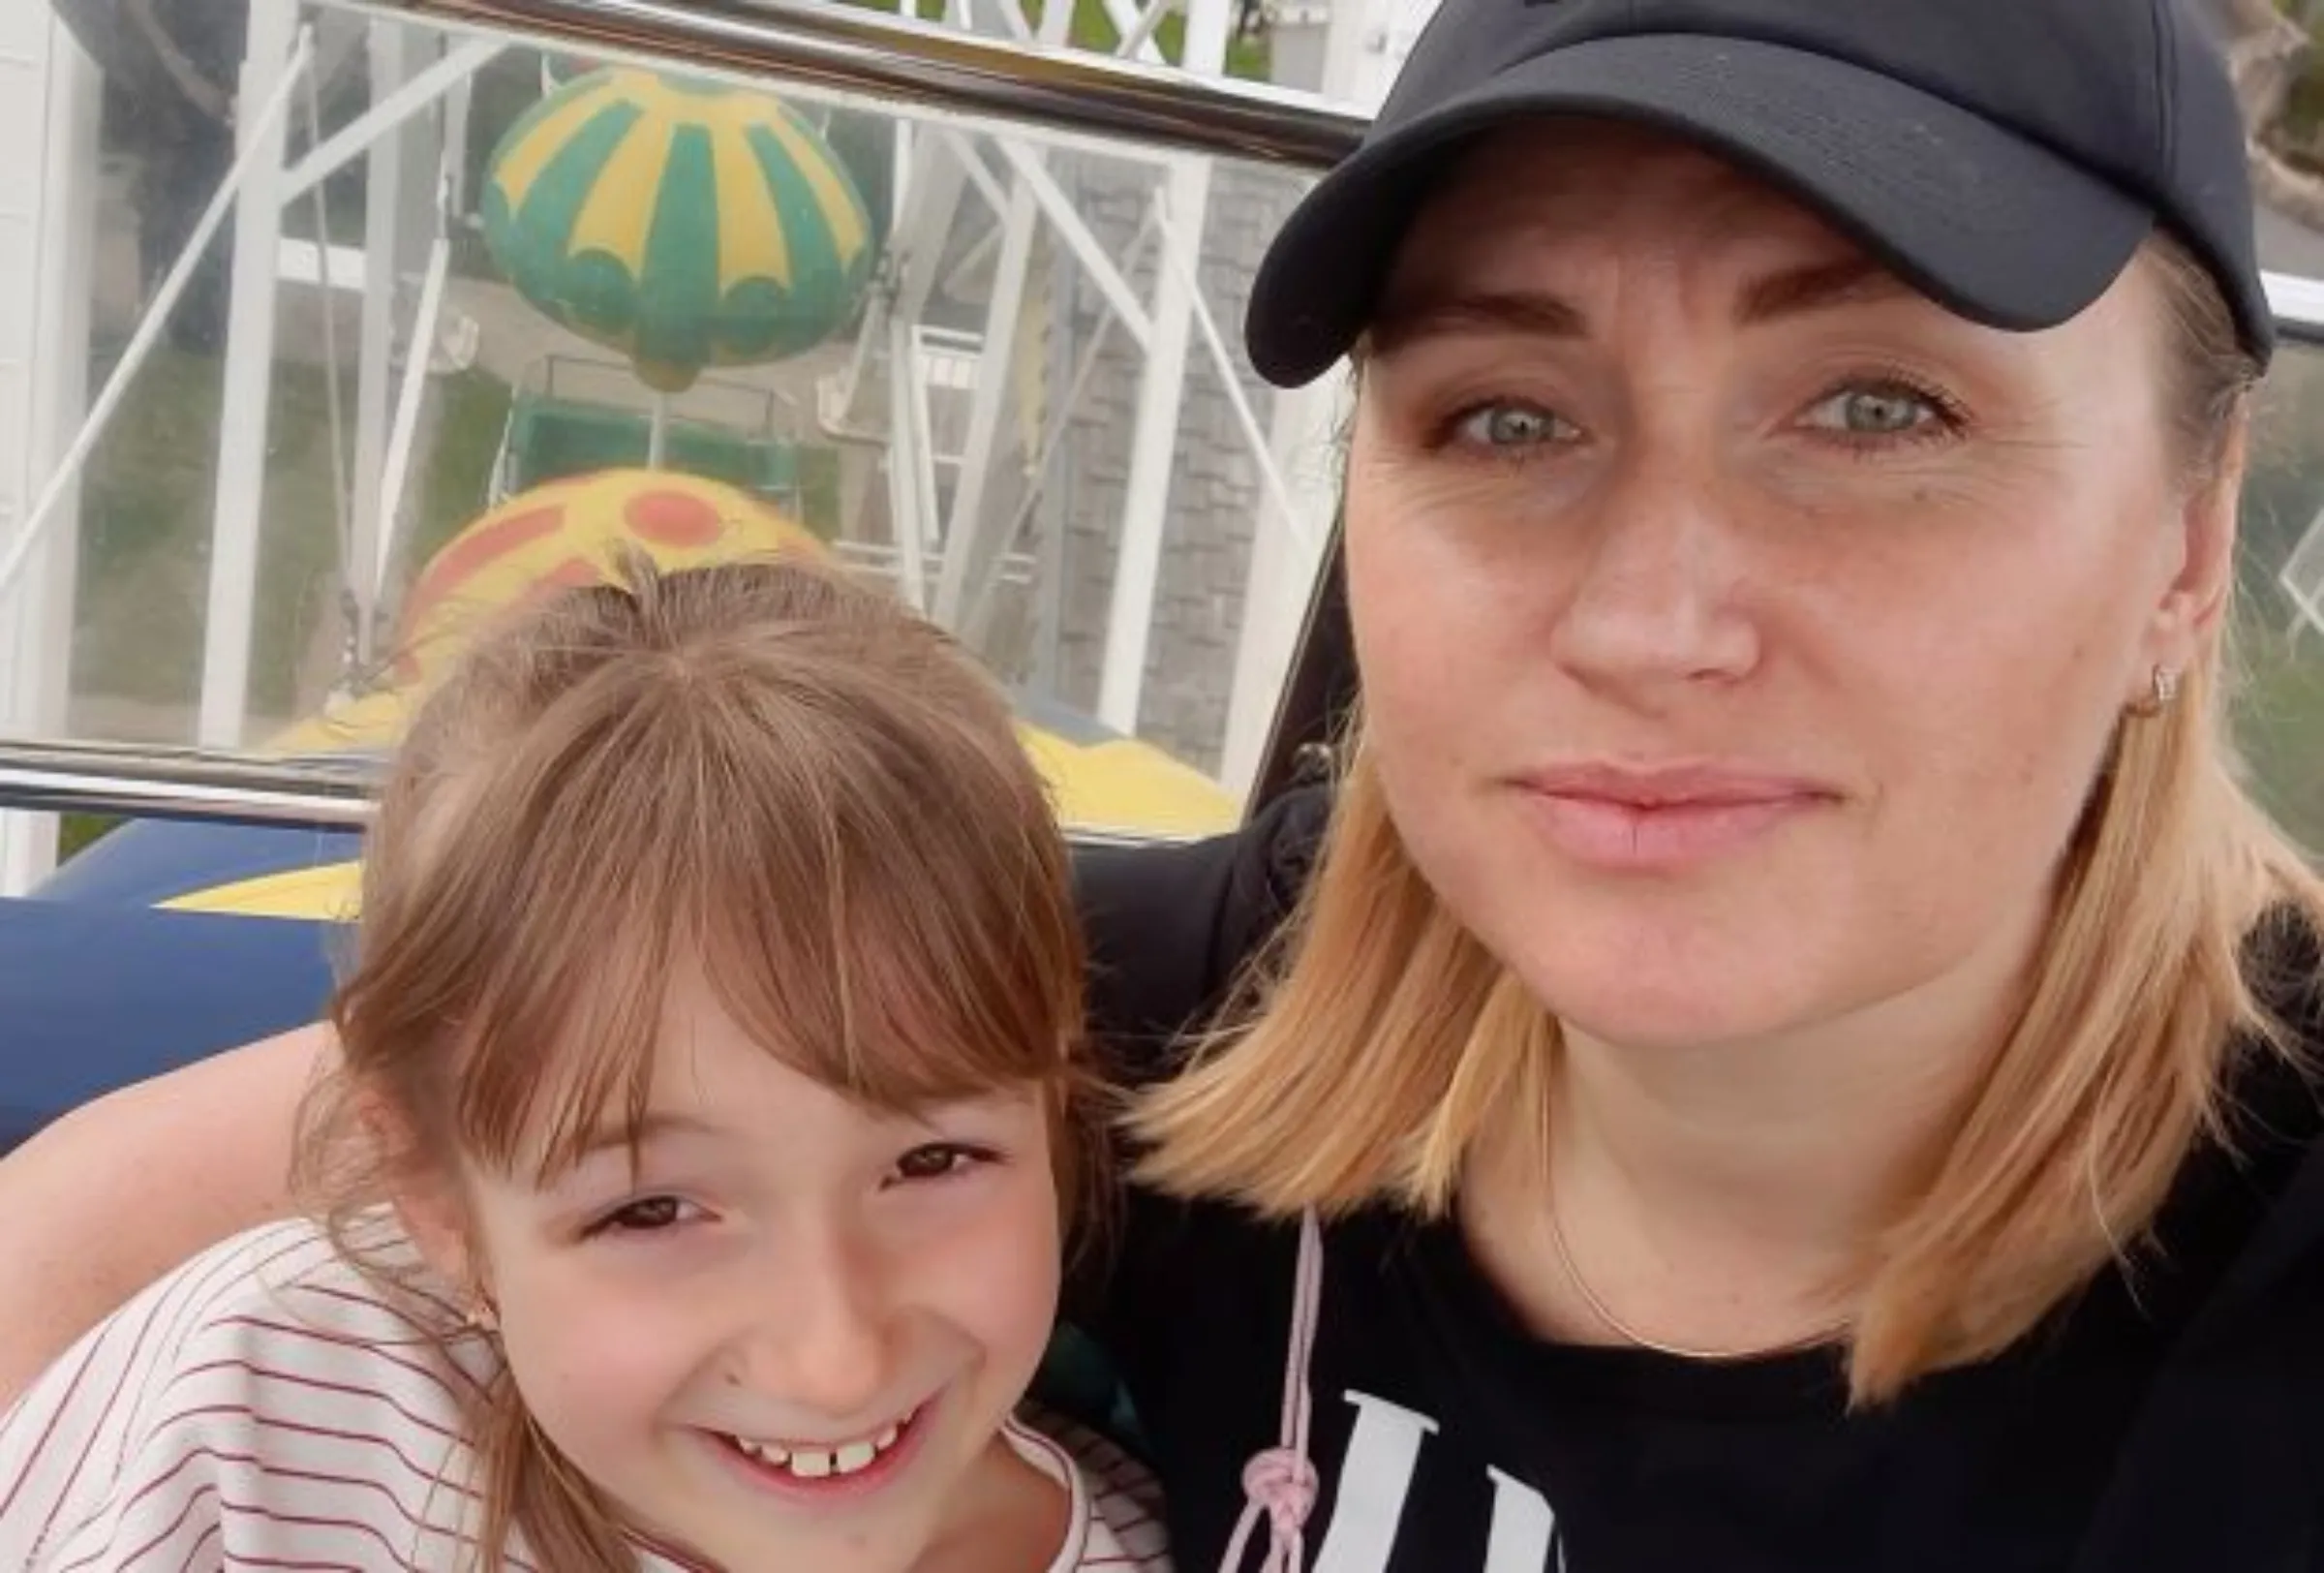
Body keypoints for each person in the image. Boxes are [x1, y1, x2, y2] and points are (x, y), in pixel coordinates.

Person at [7, 0, 2324, 1566]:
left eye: (1873, 411)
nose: (1648, 619)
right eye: (1502, 419)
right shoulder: (1218, 1008)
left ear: (2178, 547)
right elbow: (244, 1167)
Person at [0, 557, 1168, 1573]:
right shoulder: (253, 1431)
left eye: (934, 1158)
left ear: (1055, 1107)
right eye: (653, 1208)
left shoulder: (1177, 1541)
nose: (834, 1356)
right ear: (436, 1199)